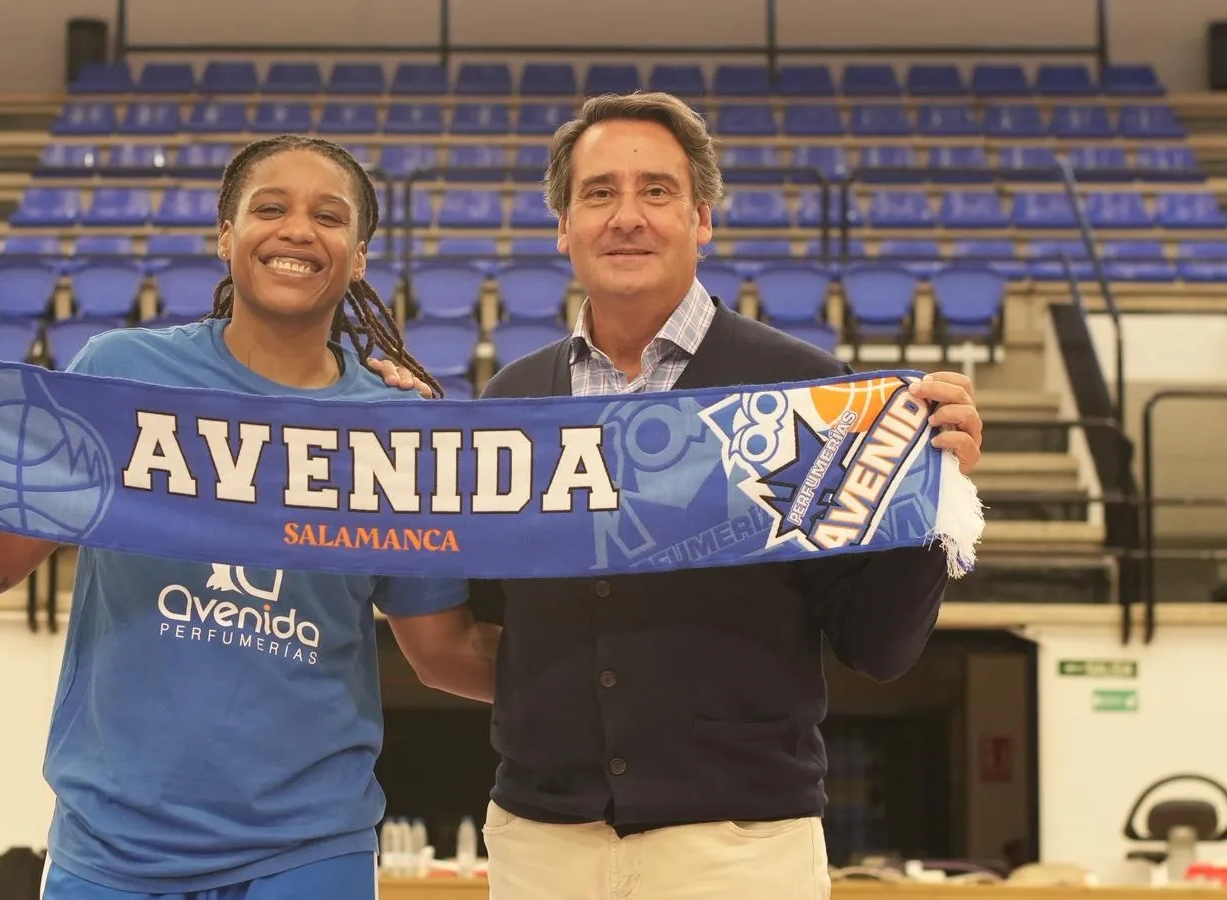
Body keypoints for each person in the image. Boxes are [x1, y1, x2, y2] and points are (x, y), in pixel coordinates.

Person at [0, 135, 497, 900]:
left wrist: (592, 685)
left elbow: (442, 653)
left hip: (309, 849)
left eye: (328, 216)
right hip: (112, 849)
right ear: (225, 236)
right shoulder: (120, 376)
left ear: (358, 258)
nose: (297, 230)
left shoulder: (393, 429)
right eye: (269, 209)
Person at [380, 91, 985, 899]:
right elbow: (494, 630)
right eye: (599, 193)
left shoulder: (806, 392)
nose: (627, 216)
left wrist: (931, 497)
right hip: (543, 843)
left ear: (701, 219)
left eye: (657, 191)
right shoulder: (512, 402)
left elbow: (878, 648)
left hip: (740, 848)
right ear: (564, 226)